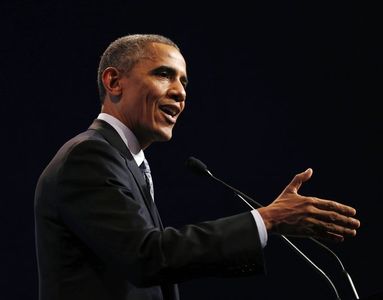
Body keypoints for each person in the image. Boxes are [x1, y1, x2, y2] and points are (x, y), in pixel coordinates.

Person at [34, 34, 360, 300]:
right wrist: (267, 219)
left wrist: (268, 222)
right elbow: (149, 257)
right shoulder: (89, 156)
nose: (179, 92)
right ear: (114, 81)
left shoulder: (124, 160)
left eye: (184, 82)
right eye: (163, 74)